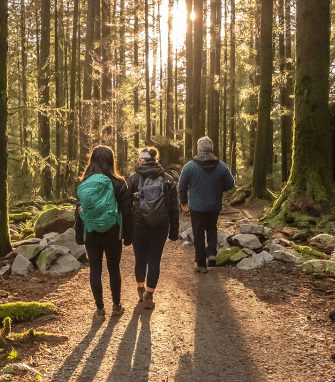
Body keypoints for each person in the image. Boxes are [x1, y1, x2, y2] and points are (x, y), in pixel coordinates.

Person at [75, 145, 134, 319]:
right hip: (113, 232)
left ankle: (100, 310)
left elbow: (79, 212)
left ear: (91, 160)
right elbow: (127, 212)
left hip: (91, 232)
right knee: (114, 268)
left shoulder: (84, 183)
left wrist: (79, 235)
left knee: (95, 269)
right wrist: (128, 236)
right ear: (111, 160)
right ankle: (116, 306)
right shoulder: (119, 182)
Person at [127, 147, 179, 309]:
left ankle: (140, 288)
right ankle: (149, 296)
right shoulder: (168, 179)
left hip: (138, 225)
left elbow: (126, 206)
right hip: (160, 226)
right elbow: (173, 208)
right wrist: (174, 231)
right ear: (156, 159)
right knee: (155, 259)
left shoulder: (134, 179)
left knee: (140, 259)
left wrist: (126, 230)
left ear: (141, 159)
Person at [177, 136, 235, 273]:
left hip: (196, 207)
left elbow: (181, 187)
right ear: (212, 149)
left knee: (198, 234)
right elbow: (230, 184)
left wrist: (184, 203)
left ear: (198, 149)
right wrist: (219, 188)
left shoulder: (190, 166)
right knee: (211, 229)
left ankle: (201, 264)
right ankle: (212, 254)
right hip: (214, 205)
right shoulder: (221, 166)